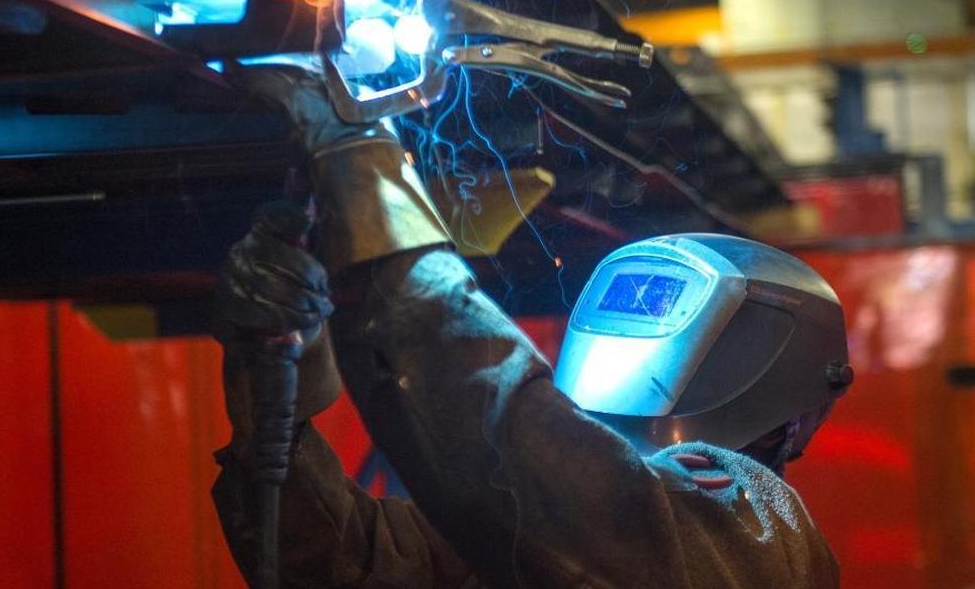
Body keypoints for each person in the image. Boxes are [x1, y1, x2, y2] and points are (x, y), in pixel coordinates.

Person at [212, 66, 852, 589]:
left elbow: (536, 467)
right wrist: (275, 419)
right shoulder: (530, 528)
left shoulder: (764, 536)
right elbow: (352, 565)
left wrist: (368, 183)